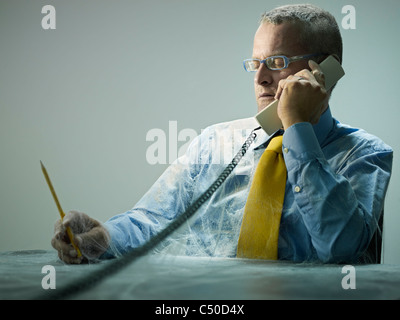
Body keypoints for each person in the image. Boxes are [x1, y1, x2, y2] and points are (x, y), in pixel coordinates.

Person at [51, 4, 393, 264]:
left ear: (325, 71)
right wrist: (102, 238)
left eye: (276, 62)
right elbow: (152, 220)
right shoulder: (213, 143)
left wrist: (297, 128)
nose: (259, 77)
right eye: (254, 63)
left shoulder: (365, 154)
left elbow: (340, 248)